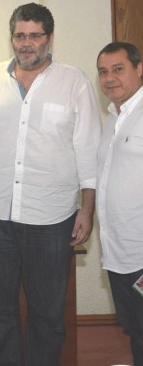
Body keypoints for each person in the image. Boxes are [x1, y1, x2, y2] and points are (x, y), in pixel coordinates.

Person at [0, 3, 101, 365]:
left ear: (50, 38)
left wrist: (87, 209)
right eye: (20, 36)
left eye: (35, 36)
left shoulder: (74, 82)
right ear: (11, 38)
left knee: (48, 313)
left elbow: (88, 150)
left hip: (52, 219)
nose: (27, 43)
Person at [96, 41, 143, 365]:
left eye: (118, 69)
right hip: (119, 254)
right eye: (103, 72)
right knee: (136, 329)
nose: (109, 78)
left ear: (139, 69)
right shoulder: (113, 119)